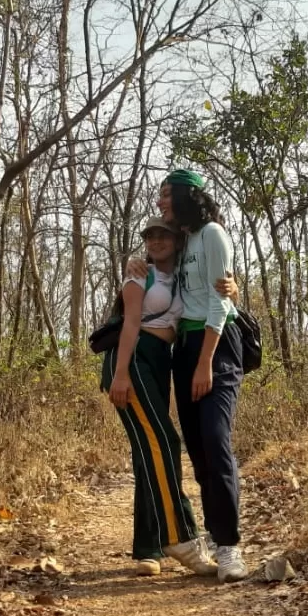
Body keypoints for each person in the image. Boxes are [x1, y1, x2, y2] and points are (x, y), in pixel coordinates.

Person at [132, 170, 247, 583]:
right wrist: (137, 263)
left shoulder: (213, 233)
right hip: (185, 348)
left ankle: (230, 546)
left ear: (185, 196)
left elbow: (219, 301)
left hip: (216, 347)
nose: (161, 201)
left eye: (166, 195)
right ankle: (215, 536)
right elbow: (166, 280)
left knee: (216, 441)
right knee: (197, 450)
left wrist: (205, 364)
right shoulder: (181, 243)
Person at [102, 216, 218, 577]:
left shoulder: (185, 276)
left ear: (179, 240)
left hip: (159, 362)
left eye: (163, 235)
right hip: (133, 359)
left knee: (149, 450)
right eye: (150, 236)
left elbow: (214, 297)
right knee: (164, 442)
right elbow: (131, 322)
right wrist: (120, 374)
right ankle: (181, 537)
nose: (155, 241)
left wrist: (233, 288)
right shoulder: (139, 273)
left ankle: (148, 547)